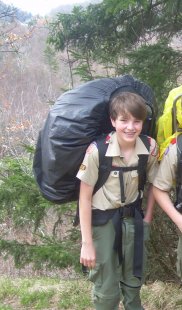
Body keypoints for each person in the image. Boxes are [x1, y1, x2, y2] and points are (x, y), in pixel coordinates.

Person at [76, 91, 158, 310]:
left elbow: (154, 186)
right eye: (123, 120)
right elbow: (84, 198)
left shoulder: (149, 147)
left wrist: (147, 218)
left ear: (143, 122)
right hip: (103, 225)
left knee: (133, 283)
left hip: (134, 222)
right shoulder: (97, 151)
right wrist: (87, 244)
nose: (130, 127)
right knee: (107, 290)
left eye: (136, 121)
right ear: (113, 121)